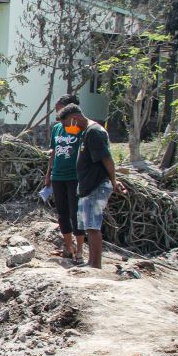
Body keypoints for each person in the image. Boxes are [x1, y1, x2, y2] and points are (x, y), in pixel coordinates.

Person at [58, 103, 127, 269]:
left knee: (93, 226)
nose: (67, 129)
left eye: (67, 125)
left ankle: (95, 265)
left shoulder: (94, 132)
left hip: (96, 184)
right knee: (89, 225)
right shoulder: (87, 132)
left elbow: (107, 158)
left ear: (75, 119)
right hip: (88, 185)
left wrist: (113, 180)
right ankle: (91, 262)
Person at [43, 94, 85, 263]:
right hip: (58, 176)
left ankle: (80, 250)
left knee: (76, 213)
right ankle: (68, 247)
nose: (56, 109)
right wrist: (48, 174)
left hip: (74, 176)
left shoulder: (81, 128)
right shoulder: (57, 128)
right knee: (62, 214)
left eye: (59, 106)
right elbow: (53, 152)